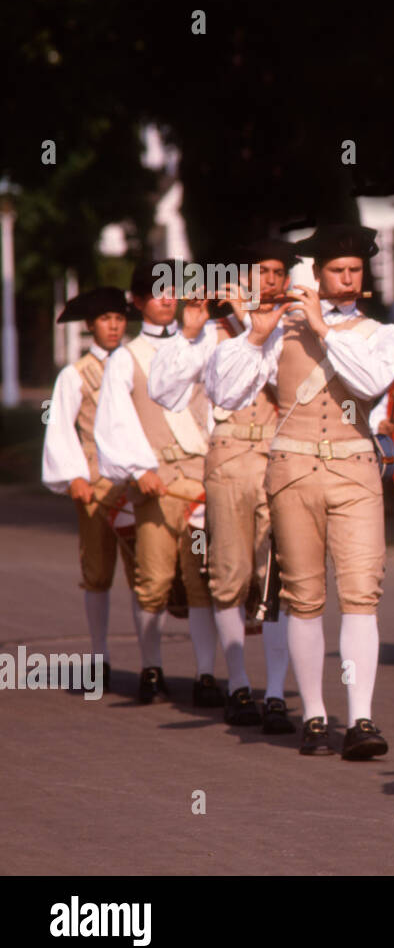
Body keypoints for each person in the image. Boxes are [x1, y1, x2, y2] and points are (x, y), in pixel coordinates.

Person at [208, 224, 394, 757]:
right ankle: (315, 715)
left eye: (355, 271)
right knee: (303, 595)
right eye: (336, 271)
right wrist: (254, 333)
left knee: (363, 592)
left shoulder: (383, 334)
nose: (347, 279)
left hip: (356, 469)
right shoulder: (279, 331)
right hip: (292, 468)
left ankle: (361, 719)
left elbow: (368, 384)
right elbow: (224, 391)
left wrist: (322, 326)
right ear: (316, 276)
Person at [147, 240, 300, 732]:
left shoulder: (299, 325)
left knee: (282, 575)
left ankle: (275, 692)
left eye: (278, 272)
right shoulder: (214, 330)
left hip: (284, 452)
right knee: (229, 573)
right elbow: (165, 391)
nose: (271, 281)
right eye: (262, 272)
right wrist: (191, 334)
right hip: (231, 452)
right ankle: (238, 685)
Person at [95, 260, 218, 706]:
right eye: (157, 292)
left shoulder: (205, 344)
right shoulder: (126, 358)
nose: (167, 300)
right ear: (137, 301)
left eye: (173, 291)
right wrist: (138, 470)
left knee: (202, 574)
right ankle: (152, 667)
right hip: (158, 478)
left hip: (204, 475)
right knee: (154, 577)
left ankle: (206, 673)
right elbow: (114, 422)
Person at [42, 286, 139, 687]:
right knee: (97, 571)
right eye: (105, 319)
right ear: (90, 325)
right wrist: (74, 476)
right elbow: (61, 427)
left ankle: (151, 662)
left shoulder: (136, 364)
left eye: (119, 319)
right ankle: (99, 656)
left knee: (145, 574)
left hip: (135, 483)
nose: (114, 326)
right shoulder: (75, 374)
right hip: (96, 482)